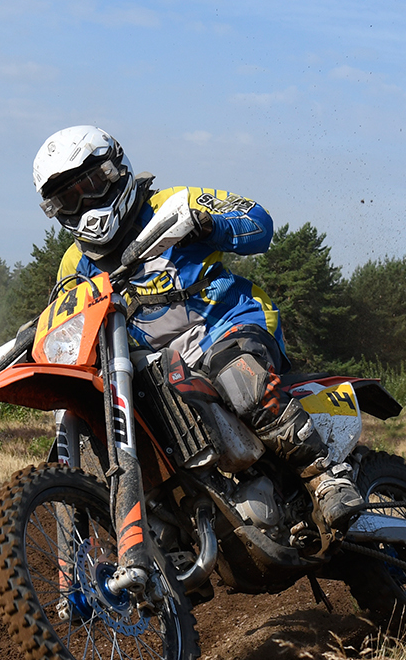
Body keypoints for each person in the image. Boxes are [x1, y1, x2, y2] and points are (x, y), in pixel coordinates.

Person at [31, 125, 360, 541]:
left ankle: (326, 475)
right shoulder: (74, 265)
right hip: (152, 367)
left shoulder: (173, 204)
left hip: (227, 324)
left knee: (236, 374)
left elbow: (259, 221)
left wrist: (209, 225)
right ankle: (167, 534)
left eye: (91, 185)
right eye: (69, 199)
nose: (84, 203)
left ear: (115, 171)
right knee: (107, 420)